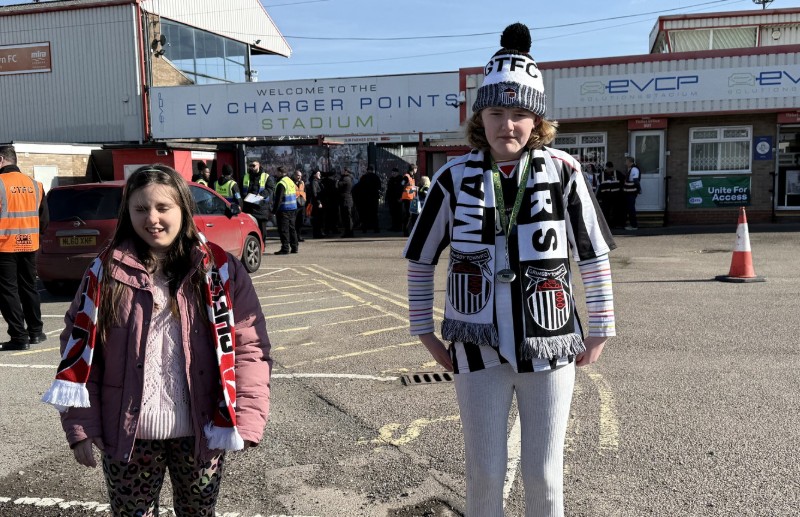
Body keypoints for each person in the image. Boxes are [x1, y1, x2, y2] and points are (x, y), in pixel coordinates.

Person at [403, 23, 616, 517]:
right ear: (480, 116)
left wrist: (601, 328)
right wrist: (424, 333)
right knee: (484, 472)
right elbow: (420, 258)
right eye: (496, 111)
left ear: (537, 119)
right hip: (473, 346)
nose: (508, 125)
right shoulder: (451, 178)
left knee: (545, 474)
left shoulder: (564, 171)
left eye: (520, 113)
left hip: (552, 340)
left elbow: (593, 254)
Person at [40, 164, 272, 516]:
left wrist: (249, 415)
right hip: (128, 438)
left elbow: (248, 347)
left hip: (203, 433)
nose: (152, 219)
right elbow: (79, 356)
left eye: (163, 208)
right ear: (127, 213)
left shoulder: (220, 270)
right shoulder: (103, 273)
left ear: (183, 208)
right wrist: (80, 425)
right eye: (140, 209)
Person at [0, 145, 49, 351]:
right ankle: (36, 332)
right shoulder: (35, 184)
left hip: (4, 246)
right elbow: (44, 220)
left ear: (1, 159)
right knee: (29, 287)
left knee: (8, 292)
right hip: (30, 244)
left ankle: (19, 337)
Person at [242, 160, 275, 243]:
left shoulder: (266, 176)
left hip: (261, 207)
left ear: (259, 165)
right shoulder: (246, 176)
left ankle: (262, 244)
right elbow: (241, 189)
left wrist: (261, 195)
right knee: (249, 228)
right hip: (248, 207)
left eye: (253, 165)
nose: (252, 167)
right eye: (250, 166)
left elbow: (270, 189)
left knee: (262, 228)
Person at [272, 166, 298, 254]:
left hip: (284, 210)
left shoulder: (281, 183)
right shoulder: (290, 181)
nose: (276, 174)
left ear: (280, 172)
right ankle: (295, 247)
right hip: (293, 208)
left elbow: (278, 199)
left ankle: (285, 248)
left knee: (284, 230)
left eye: (276, 172)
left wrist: (274, 211)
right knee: (292, 229)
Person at [596, 161, 623, 228]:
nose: (610, 170)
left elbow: (622, 182)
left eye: (611, 168)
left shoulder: (618, 173)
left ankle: (615, 224)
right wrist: (598, 197)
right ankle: (606, 225)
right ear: (606, 168)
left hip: (615, 196)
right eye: (608, 168)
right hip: (605, 197)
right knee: (605, 211)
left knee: (615, 211)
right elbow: (598, 186)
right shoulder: (601, 175)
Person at [357, 164, 382, 233]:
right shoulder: (376, 177)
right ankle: (376, 229)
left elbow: (359, 187)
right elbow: (379, 187)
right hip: (374, 198)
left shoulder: (363, 177)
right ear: (372, 170)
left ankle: (364, 229)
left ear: (367, 170)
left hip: (365, 198)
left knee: (365, 214)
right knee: (374, 214)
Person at [623, 156, 641, 231]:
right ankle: (632, 224)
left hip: (632, 192)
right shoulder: (630, 169)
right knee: (630, 208)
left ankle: (634, 225)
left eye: (626, 161)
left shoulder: (634, 169)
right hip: (629, 192)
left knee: (631, 209)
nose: (625, 163)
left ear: (630, 162)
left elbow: (635, 181)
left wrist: (638, 189)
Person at [308, 169, 326, 238]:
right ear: (314, 175)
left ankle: (319, 233)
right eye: (318, 174)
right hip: (316, 204)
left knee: (319, 218)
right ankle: (317, 234)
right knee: (317, 219)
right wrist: (318, 202)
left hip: (318, 202)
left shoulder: (317, 182)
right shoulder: (314, 182)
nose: (320, 175)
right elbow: (314, 193)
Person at [400, 164, 417, 237]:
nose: (416, 170)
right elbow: (402, 184)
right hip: (407, 198)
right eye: (416, 169)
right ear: (413, 169)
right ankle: (405, 231)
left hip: (411, 197)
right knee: (408, 215)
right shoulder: (406, 177)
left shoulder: (411, 177)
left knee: (411, 215)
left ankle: (410, 231)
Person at [321, 170, 340, 236]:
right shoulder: (333, 182)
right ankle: (334, 228)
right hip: (333, 201)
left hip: (326, 201)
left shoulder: (322, 182)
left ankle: (327, 229)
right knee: (334, 216)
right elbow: (336, 191)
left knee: (327, 216)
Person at [337, 168, 355, 238]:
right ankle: (349, 232)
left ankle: (349, 232)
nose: (341, 171)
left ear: (346, 172)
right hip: (347, 200)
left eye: (343, 170)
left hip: (345, 201)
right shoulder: (349, 178)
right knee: (348, 217)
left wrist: (337, 180)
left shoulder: (345, 179)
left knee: (346, 217)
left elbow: (338, 185)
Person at [386, 167, 403, 232]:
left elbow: (402, 188)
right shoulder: (391, 179)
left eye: (394, 172)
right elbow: (389, 189)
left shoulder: (401, 179)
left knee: (398, 213)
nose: (393, 173)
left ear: (397, 173)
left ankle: (399, 227)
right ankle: (394, 226)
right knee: (393, 213)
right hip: (391, 199)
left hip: (398, 199)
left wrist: (401, 197)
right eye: (392, 172)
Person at [293, 169, 307, 242]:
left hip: (302, 204)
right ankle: (295, 237)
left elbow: (304, 192)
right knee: (295, 221)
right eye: (298, 175)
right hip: (295, 204)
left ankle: (299, 235)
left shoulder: (302, 183)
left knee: (301, 221)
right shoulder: (292, 183)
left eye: (300, 176)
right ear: (295, 175)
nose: (299, 177)